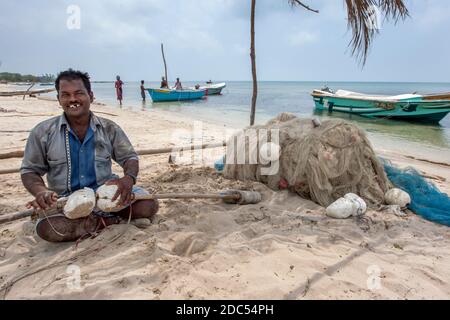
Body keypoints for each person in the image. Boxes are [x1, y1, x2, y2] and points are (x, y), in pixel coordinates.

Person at [20, 69, 159, 242]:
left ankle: (97, 221)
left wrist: (128, 179)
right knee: (47, 229)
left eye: (79, 93)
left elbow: (129, 157)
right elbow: (29, 171)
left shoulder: (109, 128)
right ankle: (107, 222)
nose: (72, 99)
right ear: (58, 99)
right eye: (66, 95)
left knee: (149, 204)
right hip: (65, 202)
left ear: (91, 96)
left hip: (106, 198)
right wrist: (41, 192)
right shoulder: (43, 132)